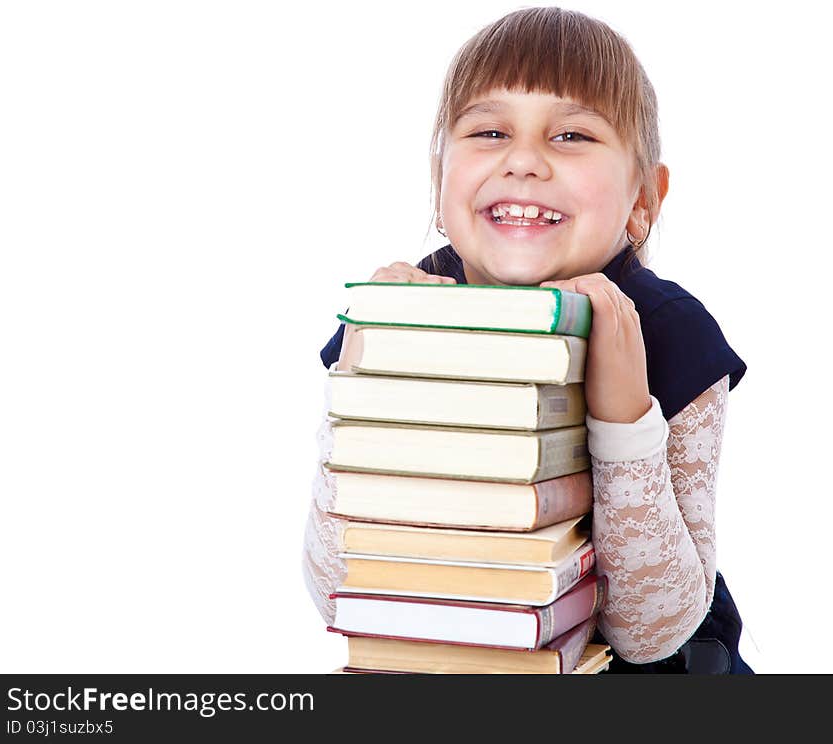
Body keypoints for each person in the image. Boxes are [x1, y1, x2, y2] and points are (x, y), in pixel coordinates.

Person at [302, 6, 753, 674]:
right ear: (440, 181)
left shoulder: (674, 331)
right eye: (488, 130)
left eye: (571, 135)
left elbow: (650, 632)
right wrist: (377, 377)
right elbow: (336, 588)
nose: (522, 161)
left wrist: (624, 420)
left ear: (643, 199)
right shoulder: (396, 315)